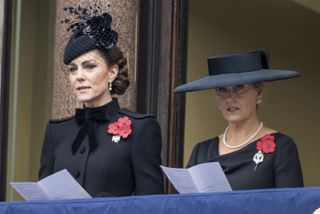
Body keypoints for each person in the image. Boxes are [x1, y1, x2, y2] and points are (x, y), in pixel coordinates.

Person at [39, 6, 164, 197]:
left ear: (112, 72)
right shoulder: (56, 132)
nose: (79, 76)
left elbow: (151, 204)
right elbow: (42, 201)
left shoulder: (141, 128)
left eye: (89, 67)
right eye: (73, 69)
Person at [175, 50, 303, 190]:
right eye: (222, 90)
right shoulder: (201, 151)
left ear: (259, 93)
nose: (230, 98)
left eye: (240, 87)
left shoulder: (281, 147)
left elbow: (291, 205)